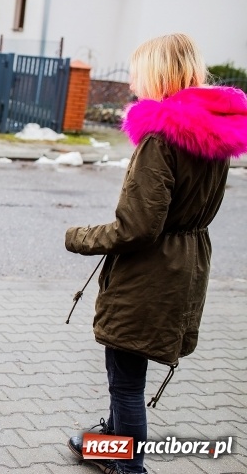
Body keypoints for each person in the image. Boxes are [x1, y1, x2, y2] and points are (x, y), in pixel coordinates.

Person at [64, 33, 247, 474]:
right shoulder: (213, 133)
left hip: (151, 271)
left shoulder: (161, 137)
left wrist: (79, 237)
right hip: (186, 263)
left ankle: (127, 465)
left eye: (135, 71)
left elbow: (137, 227)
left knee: (126, 379)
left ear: (157, 73)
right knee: (128, 366)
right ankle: (109, 442)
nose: (130, 80)